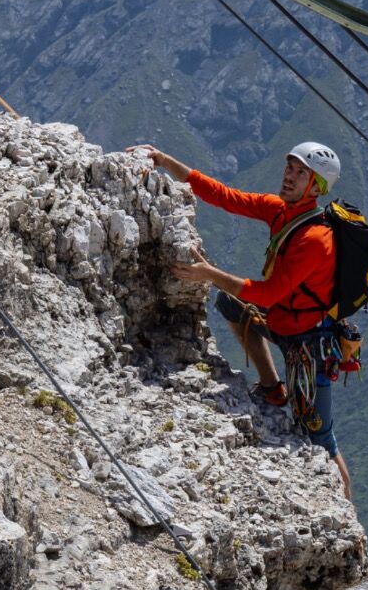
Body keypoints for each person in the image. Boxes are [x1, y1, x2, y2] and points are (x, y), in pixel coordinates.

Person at [129, 140, 352, 500]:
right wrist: (166, 160)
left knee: (320, 435)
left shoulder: (316, 239)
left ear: (317, 187)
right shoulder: (280, 211)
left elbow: (267, 294)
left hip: (309, 344)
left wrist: (209, 272)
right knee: (230, 303)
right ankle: (272, 388)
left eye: (300, 173)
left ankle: (347, 516)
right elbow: (225, 196)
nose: (289, 176)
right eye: (290, 168)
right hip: (284, 321)